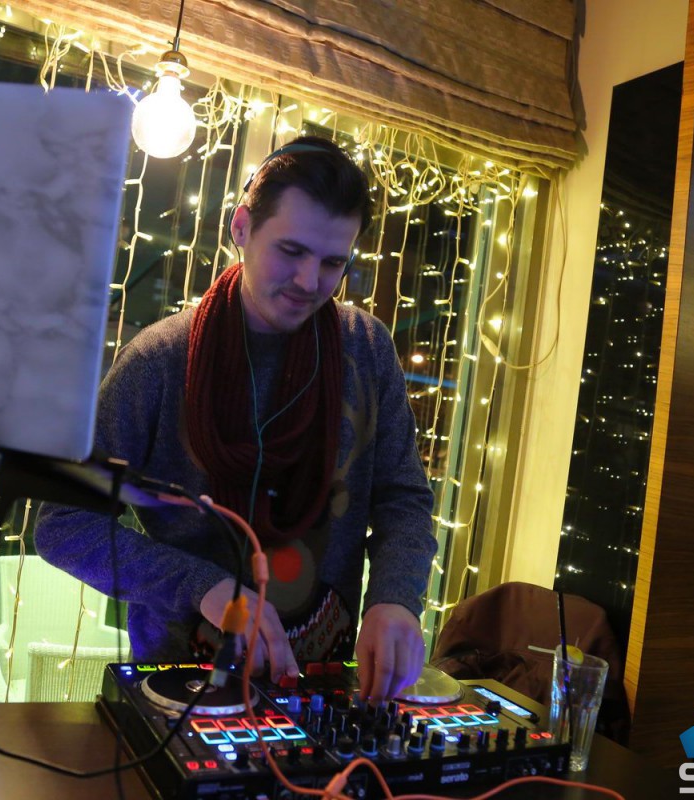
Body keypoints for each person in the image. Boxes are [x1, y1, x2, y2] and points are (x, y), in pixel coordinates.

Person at [34, 136, 437, 703]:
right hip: (177, 685)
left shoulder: (367, 348)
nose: (309, 282)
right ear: (241, 227)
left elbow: (403, 498)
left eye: (332, 262)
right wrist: (205, 587)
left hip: (325, 683)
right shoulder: (158, 360)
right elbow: (62, 524)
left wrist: (396, 598)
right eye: (291, 251)